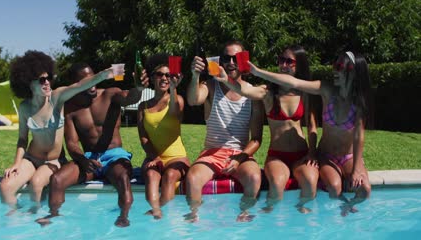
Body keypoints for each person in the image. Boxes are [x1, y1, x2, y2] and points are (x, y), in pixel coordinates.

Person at [247, 51, 372, 216]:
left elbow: (359, 136)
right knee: (334, 188)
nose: (335, 70)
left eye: (340, 67)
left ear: (354, 71)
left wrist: (356, 168)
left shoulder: (358, 102)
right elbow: (294, 82)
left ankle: (347, 206)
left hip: (348, 157)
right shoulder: (327, 90)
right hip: (326, 155)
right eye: (335, 65)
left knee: (365, 190)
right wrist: (257, 72)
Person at [35, 62, 149, 227]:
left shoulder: (110, 95)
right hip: (88, 158)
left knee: (123, 177)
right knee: (57, 179)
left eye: (93, 77)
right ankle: (53, 215)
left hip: (114, 155)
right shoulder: (71, 108)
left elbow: (129, 97)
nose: (92, 82)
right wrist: (83, 160)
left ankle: (123, 216)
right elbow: (72, 143)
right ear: (76, 84)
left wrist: (138, 89)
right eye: (85, 80)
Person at [0, 51, 115, 214]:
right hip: (32, 158)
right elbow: (22, 139)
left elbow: (80, 85)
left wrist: (102, 76)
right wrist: (16, 163)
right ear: (28, 83)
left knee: (37, 183)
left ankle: (36, 219)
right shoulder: (25, 107)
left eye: (49, 78)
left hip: (54, 161)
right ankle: (14, 222)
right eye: (41, 80)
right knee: (6, 186)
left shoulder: (57, 97)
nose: (47, 83)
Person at [215, 45, 319, 213]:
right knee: (277, 186)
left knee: (310, 182)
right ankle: (266, 218)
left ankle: (301, 219)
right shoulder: (268, 92)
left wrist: (312, 152)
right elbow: (246, 91)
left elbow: (312, 126)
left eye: (289, 62)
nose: (283, 65)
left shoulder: (305, 92)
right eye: (281, 60)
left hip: (302, 154)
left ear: (298, 65)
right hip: (278, 156)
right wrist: (226, 80)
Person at [185, 40, 264, 222]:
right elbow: (193, 99)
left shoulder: (253, 94)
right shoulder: (211, 87)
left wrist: (240, 158)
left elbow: (257, 139)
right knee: (193, 178)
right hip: (212, 153)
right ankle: (194, 218)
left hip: (239, 154)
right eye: (227, 58)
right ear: (220, 62)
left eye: (236, 58)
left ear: (244, 60)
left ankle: (244, 214)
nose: (231, 62)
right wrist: (195, 75)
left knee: (253, 176)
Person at [137, 54, 190, 220]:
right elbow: (143, 137)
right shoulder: (143, 106)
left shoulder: (177, 99)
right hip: (154, 156)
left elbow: (175, 112)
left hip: (176, 157)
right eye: (160, 74)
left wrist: (174, 89)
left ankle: (157, 212)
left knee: (170, 176)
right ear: (153, 78)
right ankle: (156, 210)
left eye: (168, 75)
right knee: (151, 176)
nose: (164, 78)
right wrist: (155, 156)